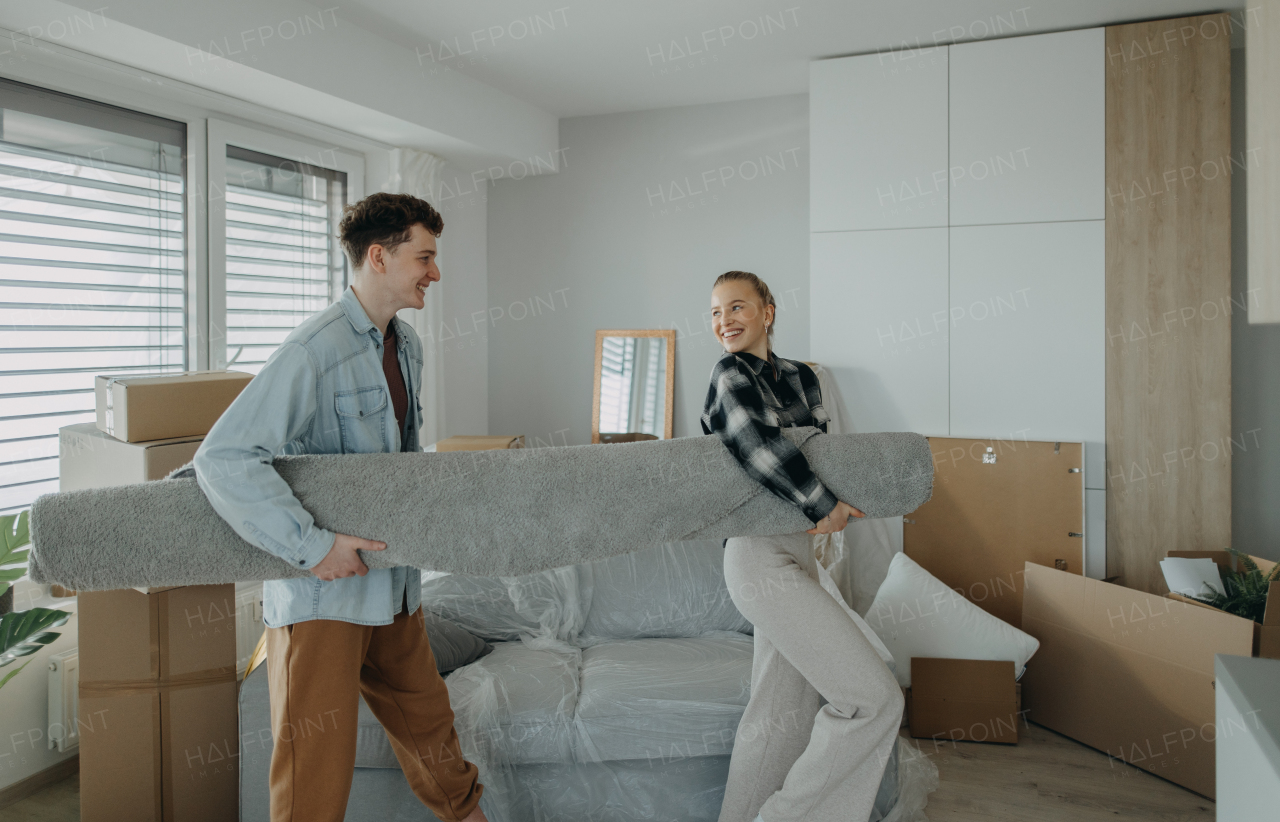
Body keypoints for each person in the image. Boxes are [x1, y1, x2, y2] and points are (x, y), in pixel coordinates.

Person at [194, 193, 488, 822]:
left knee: (438, 746)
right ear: (379, 257)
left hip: (396, 590)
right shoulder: (313, 351)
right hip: (325, 598)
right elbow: (223, 457)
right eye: (425, 257)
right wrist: (313, 547)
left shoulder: (405, 345)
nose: (435, 273)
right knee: (312, 781)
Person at [702, 271, 903, 822]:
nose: (725, 321)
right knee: (876, 700)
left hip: (801, 553)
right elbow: (757, 446)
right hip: (757, 556)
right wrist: (822, 504)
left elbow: (822, 453)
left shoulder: (803, 379)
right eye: (716, 312)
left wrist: (843, 500)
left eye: (737, 307)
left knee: (777, 719)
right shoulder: (729, 374)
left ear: (768, 311)